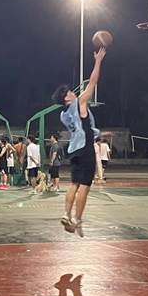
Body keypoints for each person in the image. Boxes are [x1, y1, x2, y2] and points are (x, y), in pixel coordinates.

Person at [52, 46, 107, 237]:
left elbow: (83, 126)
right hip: (85, 149)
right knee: (85, 185)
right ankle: (77, 220)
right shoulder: (79, 103)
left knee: (74, 184)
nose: (73, 92)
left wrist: (99, 133)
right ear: (66, 97)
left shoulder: (63, 114)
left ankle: (66, 214)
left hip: (74, 150)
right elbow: (93, 82)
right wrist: (98, 61)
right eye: (69, 91)